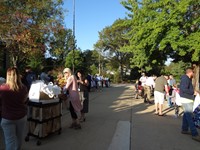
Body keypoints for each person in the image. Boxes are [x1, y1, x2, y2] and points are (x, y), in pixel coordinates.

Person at [0, 67, 28, 150]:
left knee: (10, 141)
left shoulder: (2, 89)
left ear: (7, 76)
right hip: (21, 116)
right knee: (19, 138)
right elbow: (24, 101)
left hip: (7, 117)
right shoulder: (24, 88)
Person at [179, 67, 200, 142]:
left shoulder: (186, 79)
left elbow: (184, 89)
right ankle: (194, 134)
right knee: (190, 116)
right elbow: (184, 89)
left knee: (186, 115)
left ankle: (184, 129)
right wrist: (193, 92)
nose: (194, 74)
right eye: (193, 73)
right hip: (186, 99)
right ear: (190, 72)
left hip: (187, 99)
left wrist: (193, 91)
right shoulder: (185, 79)